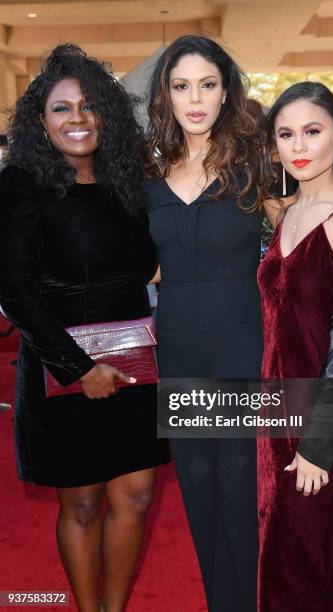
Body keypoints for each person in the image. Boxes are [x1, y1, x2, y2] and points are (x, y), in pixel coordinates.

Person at [0, 44, 169, 612]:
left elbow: (150, 262)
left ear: (108, 115)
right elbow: (14, 289)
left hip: (135, 363)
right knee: (82, 505)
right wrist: (78, 368)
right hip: (62, 371)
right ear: (40, 122)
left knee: (139, 496)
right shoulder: (21, 185)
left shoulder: (130, 184)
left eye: (89, 106)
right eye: (61, 109)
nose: (78, 119)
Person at [144, 35, 264, 612]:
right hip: (179, 353)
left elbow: (304, 225)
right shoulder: (147, 174)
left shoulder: (257, 166)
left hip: (243, 351)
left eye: (207, 84)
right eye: (181, 85)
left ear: (225, 92)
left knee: (239, 493)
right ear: (166, 95)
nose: (195, 99)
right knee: (196, 492)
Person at [258, 82, 333, 611]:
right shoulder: (287, 212)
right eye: (286, 134)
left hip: (320, 427)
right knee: (281, 560)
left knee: (315, 568)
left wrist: (320, 444)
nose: (299, 145)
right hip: (274, 416)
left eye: (312, 130)